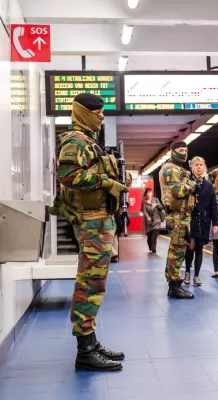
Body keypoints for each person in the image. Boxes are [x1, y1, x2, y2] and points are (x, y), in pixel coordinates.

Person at [53, 93, 128, 371]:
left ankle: (91, 342)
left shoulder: (90, 142)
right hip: (91, 222)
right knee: (89, 284)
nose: (102, 116)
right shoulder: (75, 141)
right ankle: (85, 351)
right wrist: (106, 182)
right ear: (84, 112)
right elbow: (68, 176)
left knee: (95, 283)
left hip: (99, 220)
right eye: (98, 112)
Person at [159, 141, 196, 299]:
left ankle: (173, 284)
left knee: (176, 250)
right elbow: (178, 191)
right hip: (178, 216)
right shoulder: (172, 169)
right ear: (173, 151)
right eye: (181, 150)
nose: (184, 153)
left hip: (180, 215)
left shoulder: (177, 169)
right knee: (177, 250)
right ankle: (175, 286)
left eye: (186, 150)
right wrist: (193, 185)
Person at [184, 156, 218, 286]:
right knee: (190, 246)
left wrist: (216, 223)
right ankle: (187, 272)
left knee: (199, 249)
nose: (199, 167)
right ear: (192, 168)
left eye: (201, 164)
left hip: (203, 221)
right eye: (196, 164)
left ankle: (196, 276)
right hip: (189, 221)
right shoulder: (186, 183)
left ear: (204, 167)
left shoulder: (209, 186)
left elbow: (213, 205)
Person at [142, 188, 164, 253]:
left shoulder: (155, 200)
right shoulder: (144, 202)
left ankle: (154, 249)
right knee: (149, 238)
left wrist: (156, 205)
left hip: (157, 220)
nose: (150, 193)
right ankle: (151, 247)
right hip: (149, 222)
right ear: (146, 194)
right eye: (148, 192)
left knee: (154, 236)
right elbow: (144, 211)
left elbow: (161, 207)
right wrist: (148, 217)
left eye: (150, 192)